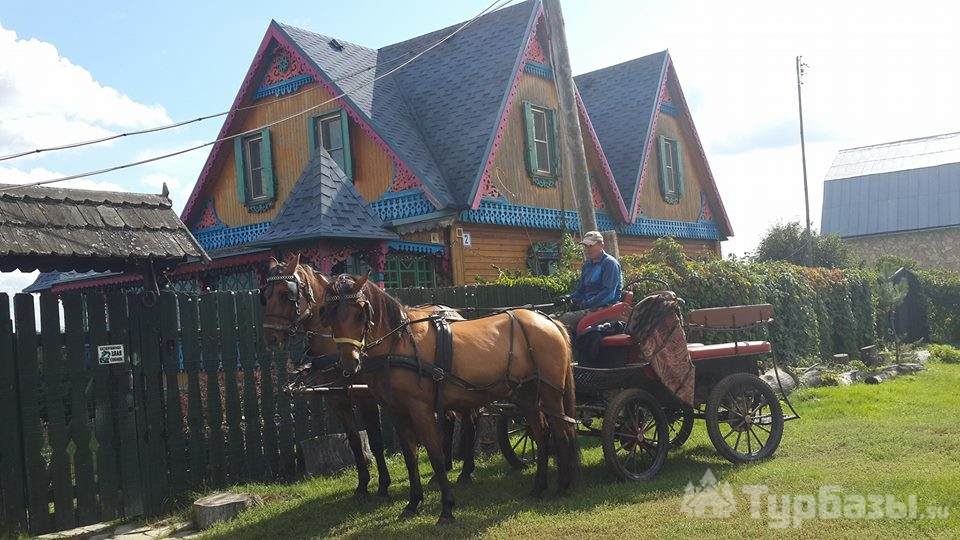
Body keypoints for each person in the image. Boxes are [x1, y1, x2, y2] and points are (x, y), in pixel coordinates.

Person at [557, 231, 622, 336]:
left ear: (601, 245)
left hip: (606, 308)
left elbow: (608, 294)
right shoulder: (587, 265)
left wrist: (586, 304)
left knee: (565, 320)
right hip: (588, 307)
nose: (588, 249)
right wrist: (568, 297)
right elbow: (581, 290)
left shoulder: (610, 264)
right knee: (551, 317)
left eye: (591, 245)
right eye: (586, 246)